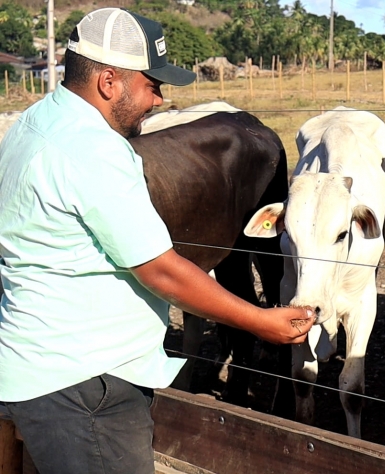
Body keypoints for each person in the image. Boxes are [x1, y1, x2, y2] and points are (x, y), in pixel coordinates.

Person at [0, 8, 313, 473]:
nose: (162, 100)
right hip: (86, 388)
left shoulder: (33, 123)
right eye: (153, 84)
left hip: (29, 364)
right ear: (109, 82)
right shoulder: (96, 150)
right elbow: (159, 269)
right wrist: (260, 321)